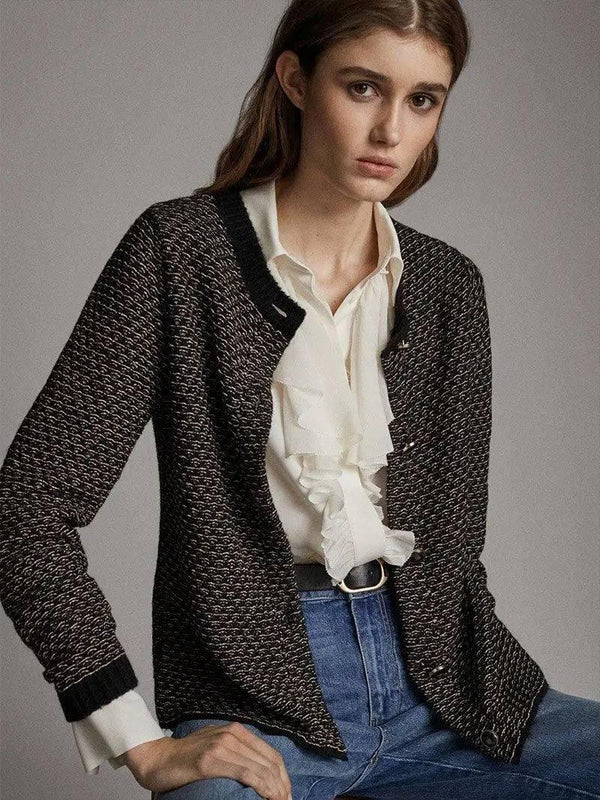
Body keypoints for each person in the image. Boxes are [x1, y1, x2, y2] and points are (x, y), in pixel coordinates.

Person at [1, 1, 599, 798]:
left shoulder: (448, 287)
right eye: (362, 88)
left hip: (445, 694)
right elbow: (27, 511)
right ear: (294, 79)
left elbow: (454, 550)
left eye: (423, 99)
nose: (391, 130)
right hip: (259, 709)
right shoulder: (180, 254)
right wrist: (133, 737)